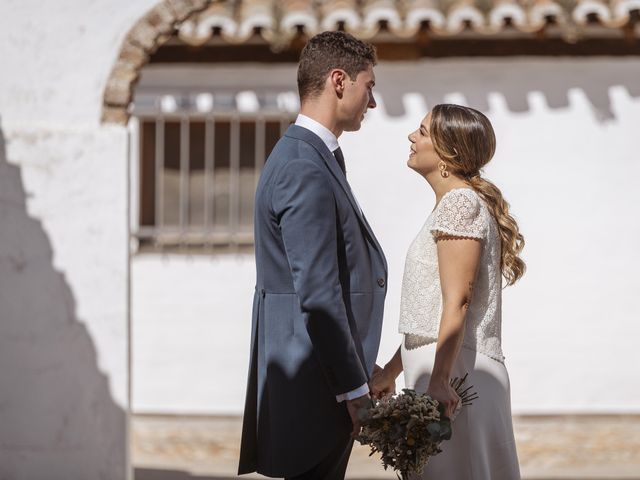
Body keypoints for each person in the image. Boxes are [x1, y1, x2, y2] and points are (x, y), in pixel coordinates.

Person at [238, 31, 388, 480]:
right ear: (339, 80)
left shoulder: (307, 156)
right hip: (315, 387)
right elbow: (319, 293)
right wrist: (353, 389)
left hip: (317, 376)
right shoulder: (304, 165)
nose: (373, 102)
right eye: (370, 86)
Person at [371, 104, 525, 479]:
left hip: (455, 375)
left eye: (422, 132)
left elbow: (458, 301)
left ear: (448, 153)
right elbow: (430, 312)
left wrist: (439, 380)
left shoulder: (459, 203)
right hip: (443, 369)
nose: (411, 136)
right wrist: (391, 372)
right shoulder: (457, 203)